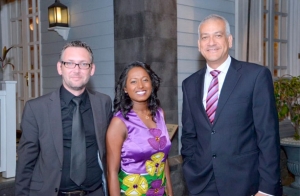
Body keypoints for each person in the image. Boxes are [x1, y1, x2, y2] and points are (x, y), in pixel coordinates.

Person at [181, 14, 281, 196]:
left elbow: (268, 135)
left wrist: (267, 189)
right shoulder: (189, 84)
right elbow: (189, 134)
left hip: (245, 183)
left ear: (229, 40)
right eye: (205, 37)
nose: (211, 42)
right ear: (199, 44)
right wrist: (190, 167)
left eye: (218, 35)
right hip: (201, 184)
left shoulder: (255, 76)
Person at [15, 41, 112, 196]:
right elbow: (26, 162)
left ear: (92, 69)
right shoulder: (36, 108)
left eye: (83, 64)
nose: (77, 70)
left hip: (95, 191)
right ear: (60, 67)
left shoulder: (103, 103)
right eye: (70, 63)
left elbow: (110, 151)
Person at [106, 61, 173, 196]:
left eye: (145, 80)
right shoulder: (119, 123)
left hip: (159, 191)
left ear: (152, 84)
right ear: (125, 88)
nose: (140, 86)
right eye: (133, 82)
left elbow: (162, 159)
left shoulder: (159, 114)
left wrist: (170, 192)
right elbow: (111, 172)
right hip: (133, 190)